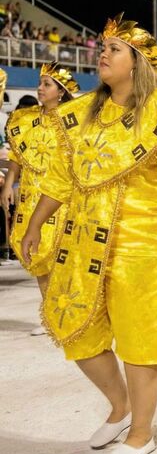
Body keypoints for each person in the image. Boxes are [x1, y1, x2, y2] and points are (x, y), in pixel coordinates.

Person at [20, 13, 157, 454]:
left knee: (141, 340)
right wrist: (34, 225)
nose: (102, 54)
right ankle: (120, 408)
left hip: (143, 243)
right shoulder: (82, 114)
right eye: (102, 48)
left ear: (138, 62)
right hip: (83, 241)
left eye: (114, 49)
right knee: (73, 329)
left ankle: (142, 433)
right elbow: (60, 180)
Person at [1, 62, 80, 336]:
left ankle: (67, 312)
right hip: (32, 195)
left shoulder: (74, 120)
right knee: (36, 254)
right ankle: (49, 314)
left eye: (47, 84)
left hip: (60, 198)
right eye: (40, 83)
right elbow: (16, 157)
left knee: (60, 255)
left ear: (60, 91)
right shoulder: (26, 119)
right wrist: (8, 186)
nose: (40, 88)